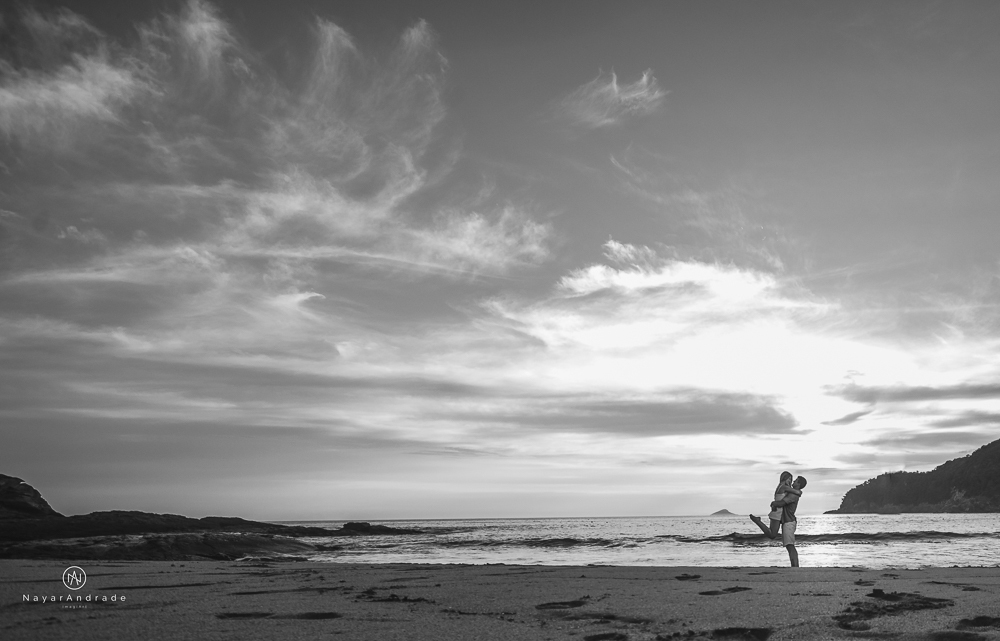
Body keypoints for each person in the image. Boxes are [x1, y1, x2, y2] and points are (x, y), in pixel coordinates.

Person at [753, 475, 807, 567]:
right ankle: (794, 566)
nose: (793, 482)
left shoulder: (793, 494)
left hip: (789, 521)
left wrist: (773, 503)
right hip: (786, 521)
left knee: (790, 545)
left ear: (798, 484)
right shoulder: (791, 492)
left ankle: (795, 567)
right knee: (787, 544)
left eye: (795, 481)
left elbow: (781, 503)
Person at [749, 472, 800, 540]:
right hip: (777, 512)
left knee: (772, 534)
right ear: (784, 478)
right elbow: (798, 492)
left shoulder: (780, 486)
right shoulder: (784, 487)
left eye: (791, 480)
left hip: (778, 511)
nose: (790, 481)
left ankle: (758, 521)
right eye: (789, 479)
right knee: (772, 535)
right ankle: (758, 521)